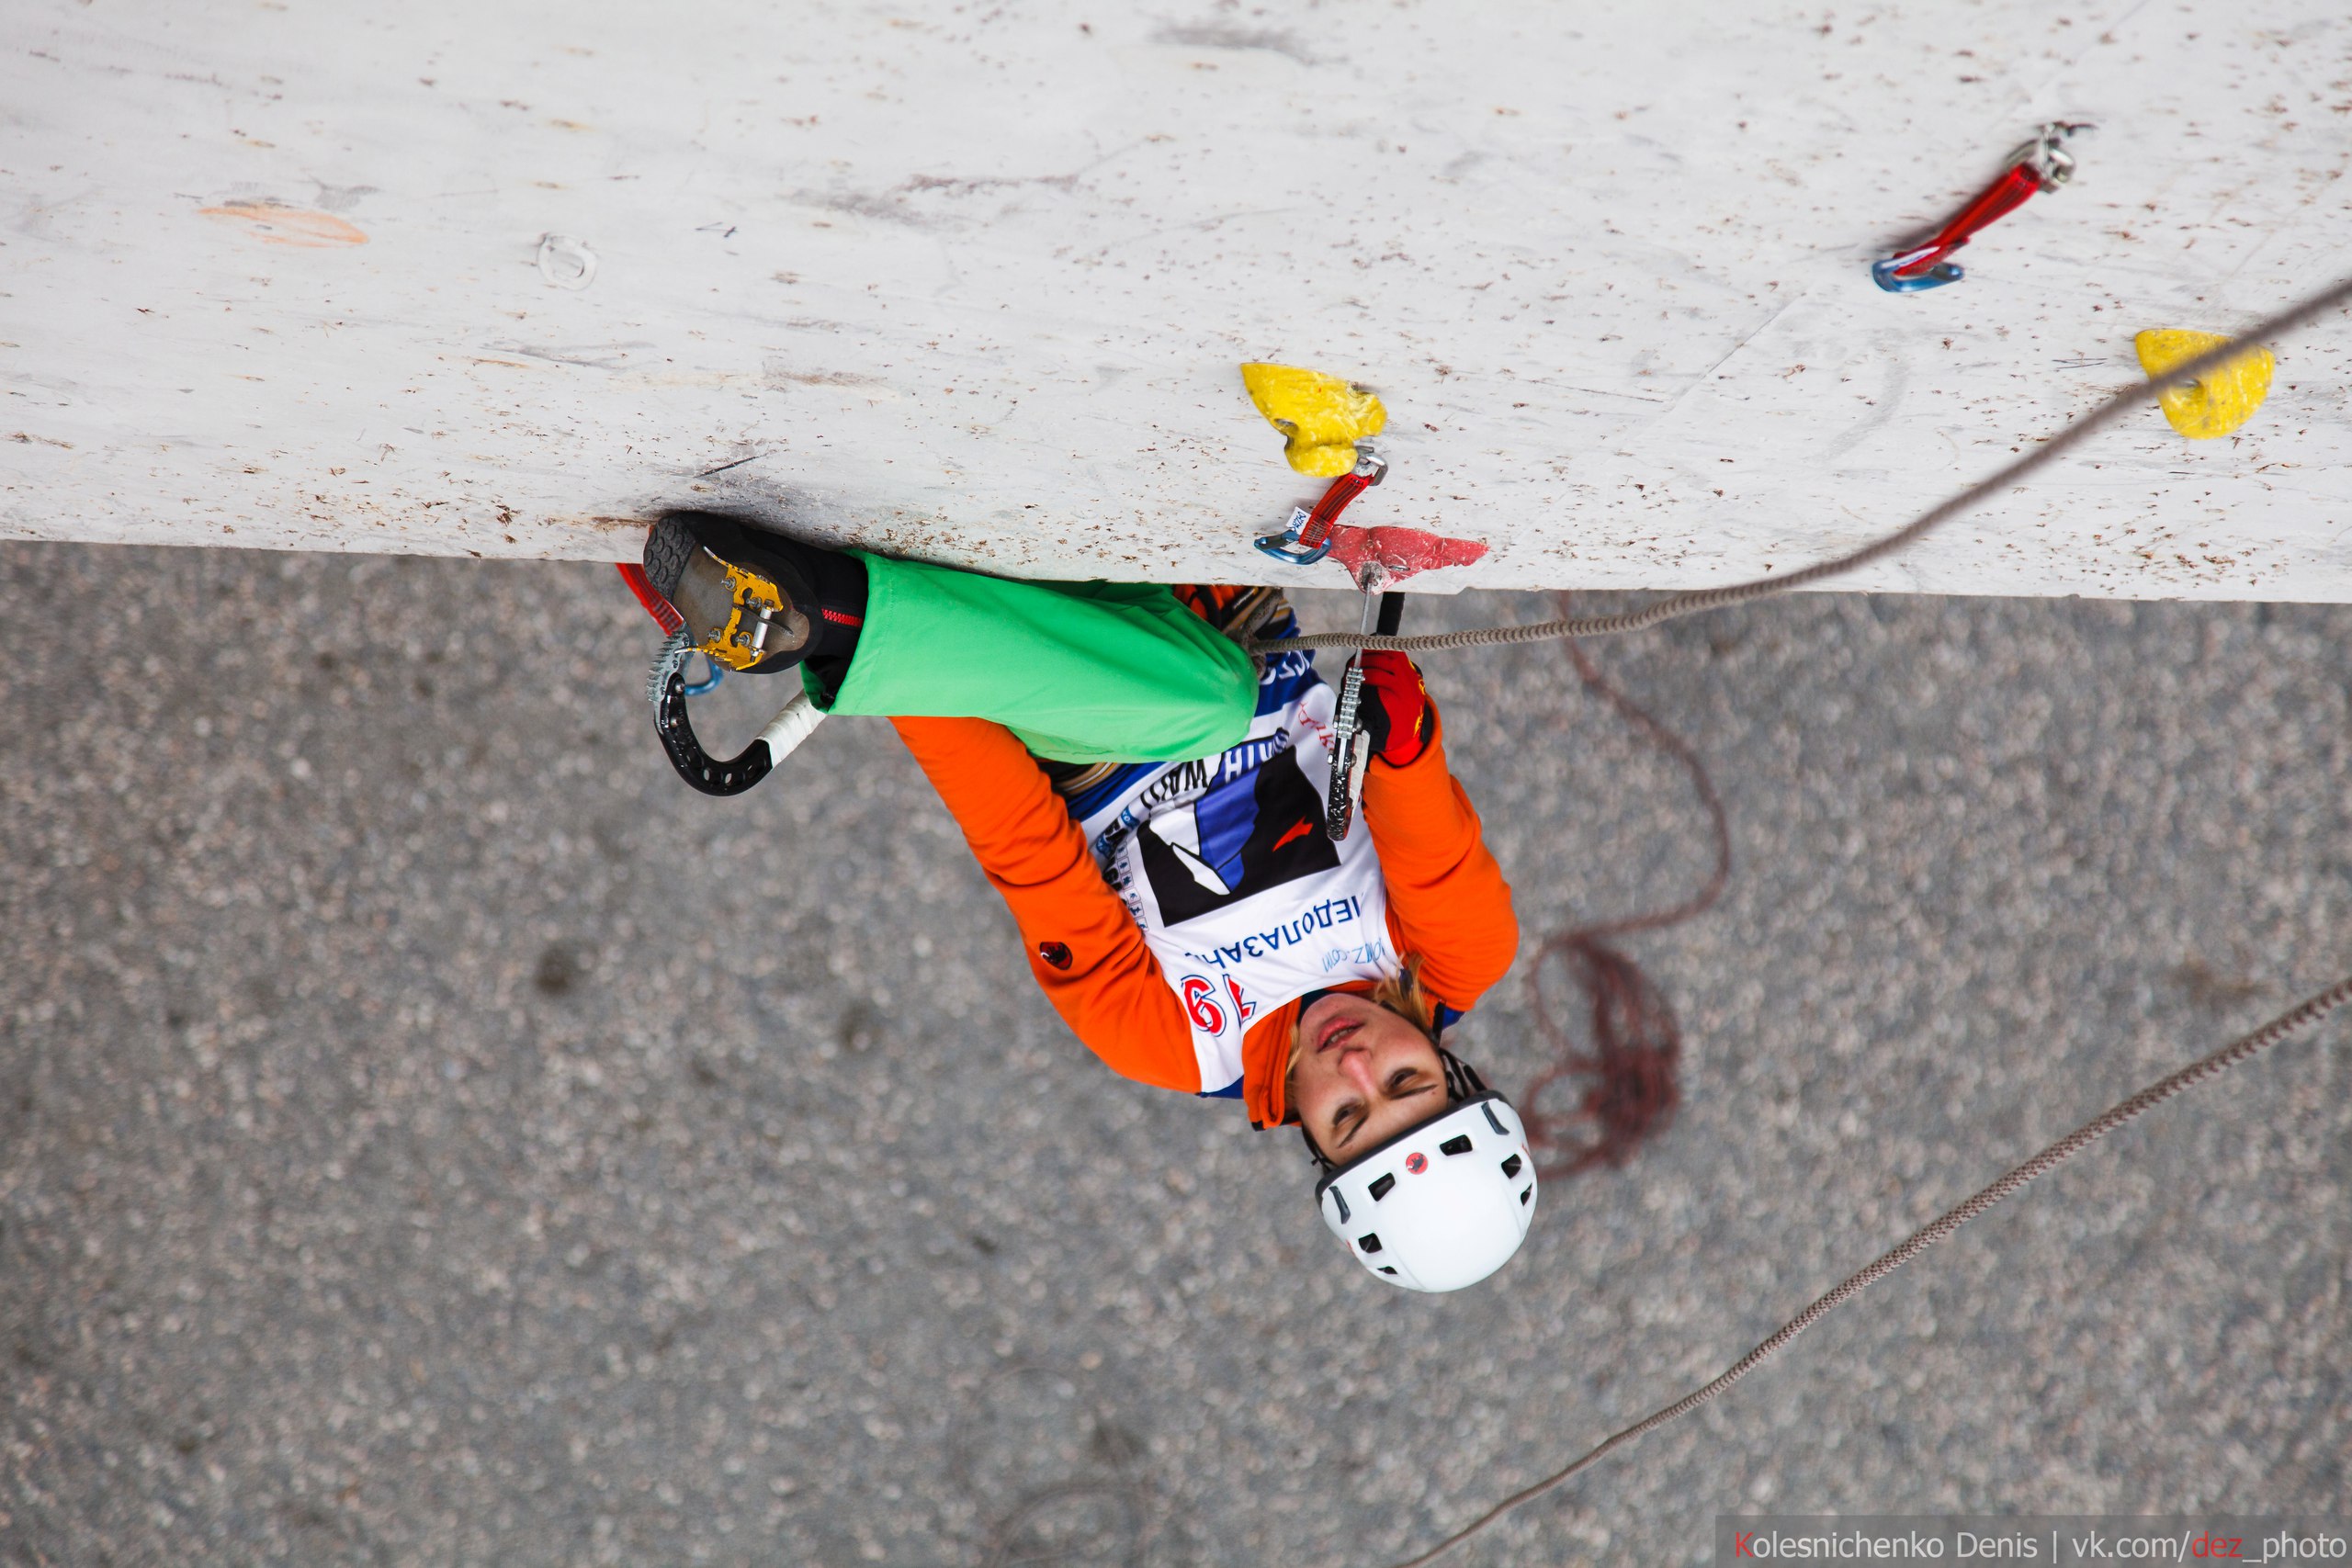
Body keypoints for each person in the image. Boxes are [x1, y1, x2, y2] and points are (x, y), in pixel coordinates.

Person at [637, 513, 1537, 1292]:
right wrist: (1403, 738)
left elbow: (1024, 846)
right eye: (1405, 1082)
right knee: (1217, 689)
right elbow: (1410, 789)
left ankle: (824, 611)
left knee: (1211, 703)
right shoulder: (1452, 952)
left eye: (1347, 1116)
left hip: (1057, 698)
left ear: (1311, 1140)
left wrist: (895, 660)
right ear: (1456, 1071)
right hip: (1190, 598)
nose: (1354, 1067)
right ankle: (823, 611)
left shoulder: (1177, 1040)